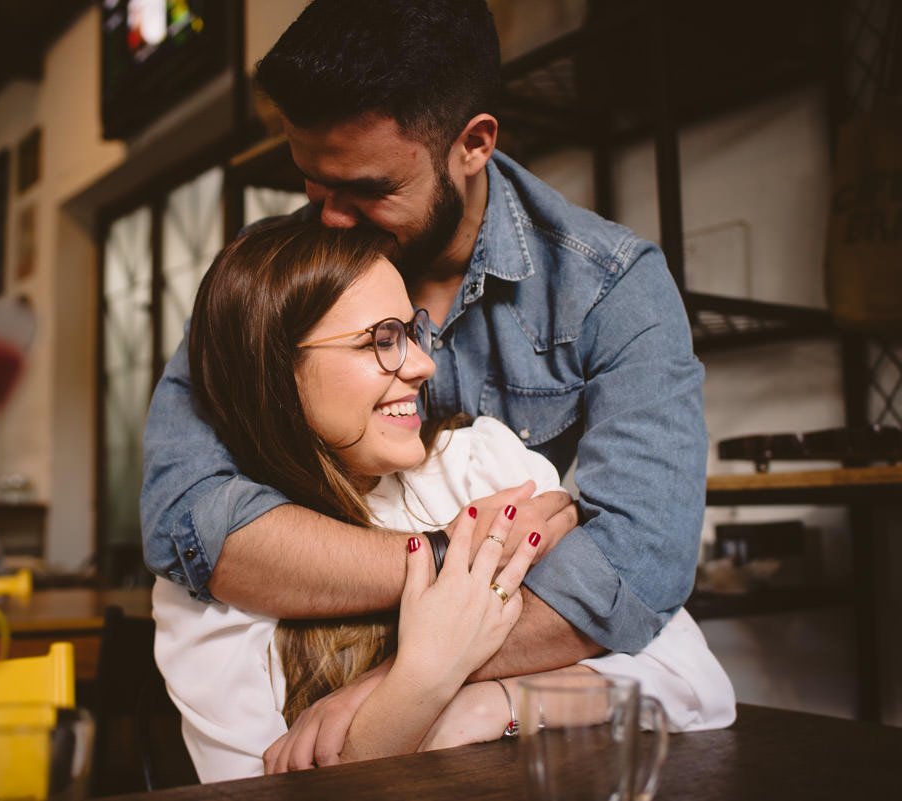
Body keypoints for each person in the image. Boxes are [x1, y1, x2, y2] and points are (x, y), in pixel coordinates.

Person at [142, 0, 708, 763]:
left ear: (473, 144)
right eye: (312, 181)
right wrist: (456, 559)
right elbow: (190, 519)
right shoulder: (276, 278)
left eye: (368, 187)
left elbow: (633, 572)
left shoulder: (608, 289)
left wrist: (404, 684)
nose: (330, 219)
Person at [153, 219, 734, 781]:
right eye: (381, 341)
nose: (424, 364)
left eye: (410, 333)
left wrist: (498, 702)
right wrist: (421, 681)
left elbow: (695, 685)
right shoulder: (222, 576)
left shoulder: (481, 466)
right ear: (277, 372)